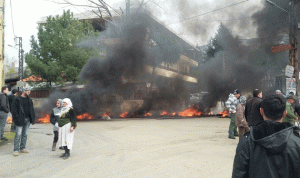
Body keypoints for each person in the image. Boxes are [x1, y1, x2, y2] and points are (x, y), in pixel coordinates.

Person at [232, 94, 300, 177]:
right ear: (285, 113)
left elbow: (238, 174)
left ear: (261, 111)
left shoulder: (247, 141)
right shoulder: (297, 141)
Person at [11, 87, 35, 157]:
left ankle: (22, 148)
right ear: (24, 91)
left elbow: (32, 109)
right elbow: (14, 110)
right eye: (28, 91)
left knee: (25, 134)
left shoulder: (29, 99)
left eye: (29, 91)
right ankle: (16, 150)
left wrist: (32, 119)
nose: (29, 92)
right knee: (18, 134)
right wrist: (16, 119)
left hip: (27, 119)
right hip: (19, 119)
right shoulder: (17, 99)